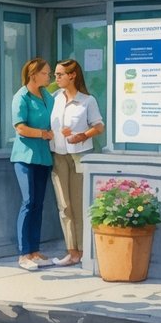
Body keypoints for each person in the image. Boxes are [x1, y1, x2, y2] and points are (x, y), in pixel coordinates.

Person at [49, 58, 105, 267]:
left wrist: (82, 136)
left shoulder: (87, 101)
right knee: (64, 205)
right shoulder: (54, 99)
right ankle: (71, 251)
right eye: (55, 74)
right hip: (58, 155)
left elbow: (99, 127)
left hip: (79, 156)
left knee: (80, 204)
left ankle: (83, 251)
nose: (56, 78)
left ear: (72, 75)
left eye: (60, 74)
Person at [12, 57, 55, 270]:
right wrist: (42, 134)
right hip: (25, 157)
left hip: (43, 157)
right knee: (28, 202)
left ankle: (35, 251)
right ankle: (23, 254)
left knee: (38, 204)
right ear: (33, 74)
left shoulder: (47, 96)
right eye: (46, 73)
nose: (49, 76)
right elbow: (20, 128)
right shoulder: (21, 96)